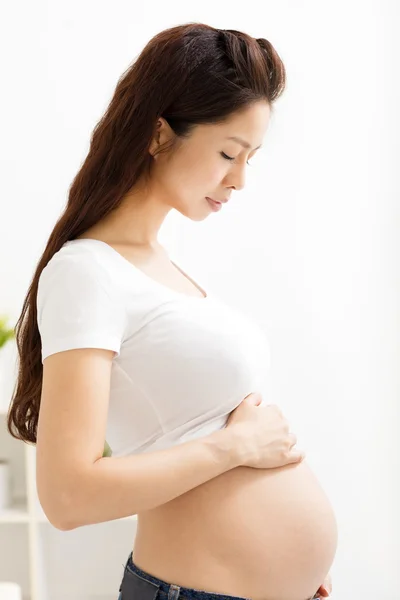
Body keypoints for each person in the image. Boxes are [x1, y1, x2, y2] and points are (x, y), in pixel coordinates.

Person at [7, 22, 336, 600]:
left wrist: (295, 572)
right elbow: (67, 496)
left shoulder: (166, 266)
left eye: (250, 158)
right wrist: (234, 448)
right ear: (159, 135)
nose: (239, 181)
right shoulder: (87, 271)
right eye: (228, 153)